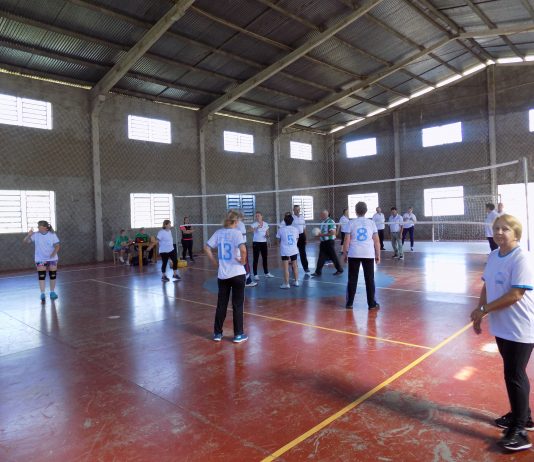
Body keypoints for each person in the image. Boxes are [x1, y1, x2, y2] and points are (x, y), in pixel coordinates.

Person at [470, 214, 534, 452]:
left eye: (505, 229)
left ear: (516, 233)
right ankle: (524, 416)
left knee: (514, 374)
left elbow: (516, 294)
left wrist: (484, 309)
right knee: (512, 371)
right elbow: (487, 284)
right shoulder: (494, 255)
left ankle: (520, 431)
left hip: (521, 326)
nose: (499, 232)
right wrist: (480, 311)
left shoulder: (522, 257)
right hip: (502, 325)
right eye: (496, 228)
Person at [204, 211, 248, 343]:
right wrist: (243, 261)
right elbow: (243, 249)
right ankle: (238, 334)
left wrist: (214, 262)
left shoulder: (219, 233)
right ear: (235, 222)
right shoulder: (237, 233)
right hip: (237, 273)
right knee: (237, 305)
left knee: (221, 304)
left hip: (223, 275)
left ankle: (217, 333)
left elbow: (206, 248)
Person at [343, 202, 380, 310]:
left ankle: (349, 303)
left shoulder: (351, 223)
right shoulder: (371, 223)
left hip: (354, 253)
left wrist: (345, 253)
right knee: (369, 279)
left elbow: (346, 240)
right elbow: (376, 241)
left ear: (355, 211)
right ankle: (371, 304)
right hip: (368, 253)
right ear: (366, 211)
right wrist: (378, 254)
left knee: (352, 278)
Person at [23, 220, 60, 302]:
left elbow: (57, 246)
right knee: (41, 275)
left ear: (45, 228)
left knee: (53, 275)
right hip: (40, 259)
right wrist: (28, 235)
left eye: (39, 227)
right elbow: (25, 241)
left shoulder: (52, 235)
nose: (38, 228)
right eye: (38, 227)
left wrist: (53, 253)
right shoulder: (36, 235)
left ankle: (52, 292)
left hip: (52, 259)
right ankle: (42, 293)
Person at [311, 209, 343, 277]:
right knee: (321, 257)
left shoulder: (330, 221)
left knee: (333, 256)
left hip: (329, 242)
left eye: (322, 214)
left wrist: (321, 235)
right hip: (323, 242)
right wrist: (318, 235)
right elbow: (322, 232)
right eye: (321, 214)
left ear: (326, 215)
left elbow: (333, 233)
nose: (321, 216)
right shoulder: (323, 222)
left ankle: (340, 269)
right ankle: (318, 272)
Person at [276, 213, 299, 289]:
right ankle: (296, 281)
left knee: (286, 268)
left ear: (284, 221)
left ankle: (286, 284)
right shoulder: (296, 229)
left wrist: (282, 243)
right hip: (294, 249)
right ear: (292, 221)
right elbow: (296, 239)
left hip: (285, 250)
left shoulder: (281, 230)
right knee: (295, 266)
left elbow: (278, 240)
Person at [236, 211, 257, 287]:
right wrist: (250, 230)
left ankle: (240, 280)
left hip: (237, 244)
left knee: (240, 262)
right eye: (243, 215)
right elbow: (242, 233)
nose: (244, 216)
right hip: (242, 244)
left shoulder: (235, 224)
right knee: (245, 262)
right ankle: (248, 281)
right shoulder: (240, 224)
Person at [251, 211, 274, 280]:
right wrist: (257, 228)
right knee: (256, 258)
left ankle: (266, 273)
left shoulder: (266, 224)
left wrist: (267, 236)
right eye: (256, 216)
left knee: (265, 258)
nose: (257, 217)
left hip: (263, 243)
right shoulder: (254, 224)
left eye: (258, 215)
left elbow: (267, 234)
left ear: (262, 216)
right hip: (256, 243)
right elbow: (250, 230)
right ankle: (255, 274)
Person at [292, 204, 310, 274]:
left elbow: (304, 228)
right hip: (294, 236)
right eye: (296, 209)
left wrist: (306, 238)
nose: (297, 211)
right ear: (293, 210)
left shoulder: (302, 217)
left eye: (299, 209)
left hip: (302, 236)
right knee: (294, 252)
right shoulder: (291, 217)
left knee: (303, 252)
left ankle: (306, 268)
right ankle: (294, 267)